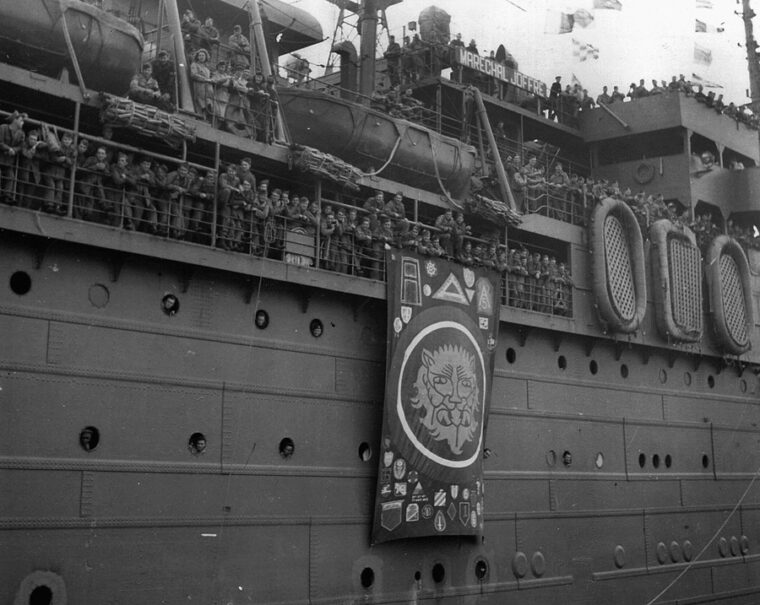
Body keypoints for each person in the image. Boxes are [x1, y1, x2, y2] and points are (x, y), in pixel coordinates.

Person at [0, 111, 26, 204]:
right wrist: (8, 149)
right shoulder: (3, 128)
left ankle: (6, 196)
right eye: (21, 120)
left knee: (11, 176)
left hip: (9, 161)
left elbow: (21, 146)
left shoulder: (21, 133)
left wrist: (14, 150)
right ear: (15, 120)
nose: (22, 122)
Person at [190, 49, 217, 119]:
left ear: (206, 57)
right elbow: (193, 75)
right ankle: (199, 117)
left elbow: (210, 77)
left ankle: (205, 117)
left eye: (203, 55)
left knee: (208, 104)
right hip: (199, 87)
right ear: (197, 57)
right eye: (200, 55)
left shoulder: (207, 69)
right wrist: (205, 79)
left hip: (207, 90)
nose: (201, 57)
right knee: (200, 104)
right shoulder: (194, 65)